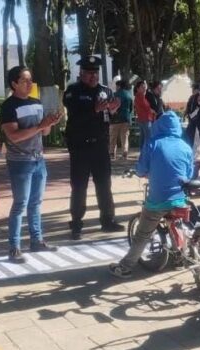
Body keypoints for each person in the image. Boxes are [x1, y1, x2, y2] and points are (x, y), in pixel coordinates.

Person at [108, 111, 193, 278]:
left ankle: (125, 267)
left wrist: (145, 173)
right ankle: (180, 259)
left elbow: (141, 169)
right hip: (180, 198)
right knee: (177, 223)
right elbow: (188, 175)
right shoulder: (186, 147)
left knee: (142, 234)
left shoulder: (153, 143)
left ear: (159, 125)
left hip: (158, 200)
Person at [0, 66, 62, 263]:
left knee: (36, 203)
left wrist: (49, 123)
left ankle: (37, 240)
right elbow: (14, 136)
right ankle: (14, 247)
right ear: (14, 84)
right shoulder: (8, 106)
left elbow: (44, 132)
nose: (29, 84)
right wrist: (40, 125)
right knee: (20, 204)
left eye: (30, 80)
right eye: (24, 80)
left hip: (38, 160)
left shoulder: (36, 102)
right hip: (20, 162)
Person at [63, 55, 124, 240]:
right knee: (79, 187)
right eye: (89, 73)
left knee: (104, 184)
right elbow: (74, 116)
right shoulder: (73, 91)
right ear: (81, 73)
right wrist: (94, 110)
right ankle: (76, 224)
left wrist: (113, 110)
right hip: (80, 147)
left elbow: (109, 118)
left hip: (100, 147)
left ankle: (107, 220)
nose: (93, 76)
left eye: (95, 73)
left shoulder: (105, 91)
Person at [108, 80, 133, 160]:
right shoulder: (129, 95)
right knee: (124, 137)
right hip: (126, 118)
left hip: (115, 119)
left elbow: (110, 106)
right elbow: (131, 108)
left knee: (113, 137)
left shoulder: (114, 95)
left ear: (118, 86)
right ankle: (124, 153)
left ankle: (112, 153)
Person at [134, 80, 154, 149]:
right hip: (146, 119)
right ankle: (147, 151)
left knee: (143, 137)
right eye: (142, 87)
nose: (144, 88)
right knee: (148, 137)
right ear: (138, 88)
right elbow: (147, 106)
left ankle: (142, 152)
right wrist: (152, 110)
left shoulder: (139, 96)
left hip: (142, 119)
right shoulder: (140, 96)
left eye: (144, 86)